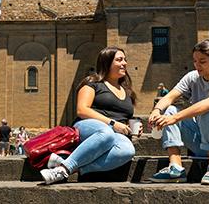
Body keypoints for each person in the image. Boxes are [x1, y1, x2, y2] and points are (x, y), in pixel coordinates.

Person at [148, 39, 209, 185]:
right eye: (194, 61)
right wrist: (156, 111)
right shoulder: (193, 77)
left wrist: (176, 118)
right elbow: (170, 96)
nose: (197, 65)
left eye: (202, 61)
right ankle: (176, 167)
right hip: (202, 141)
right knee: (169, 110)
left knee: (205, 110)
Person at [40, 46, 137, 185]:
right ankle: (63, 169)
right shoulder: (93, 83)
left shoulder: (127, 91)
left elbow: (124, 117)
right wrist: (112, 123)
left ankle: (71, 167)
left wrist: (130, 127)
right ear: (107, 62)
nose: (124, 63)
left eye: (125, 60)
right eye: (119, 60)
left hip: (114, 133)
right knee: (106, 133)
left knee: (127, 151)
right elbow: (82, 110)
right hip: (88, 126)